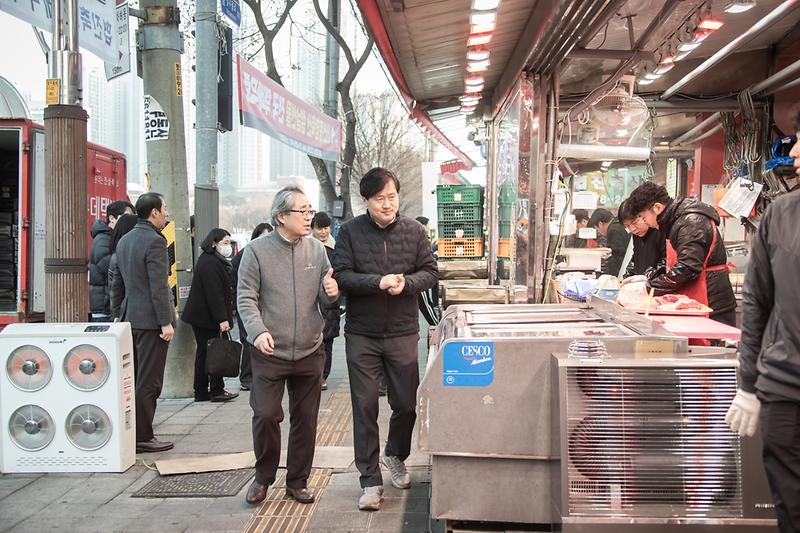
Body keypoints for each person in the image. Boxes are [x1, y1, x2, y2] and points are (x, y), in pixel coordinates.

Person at [333, 168, 438, 511]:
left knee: (406, 403)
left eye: (392, 197)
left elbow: (430, 271)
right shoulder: (349, 232)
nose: (387, 205)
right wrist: (377, 282)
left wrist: (406, 284)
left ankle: (395, 454)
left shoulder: (414, 230)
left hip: (403, 331)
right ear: (366, 201)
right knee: (364, 406)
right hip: (362, 332)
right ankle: (369, 480)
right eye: (380, 199)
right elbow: (343, 275)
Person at [238, 186, 339, 506]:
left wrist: (332, 292)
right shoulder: (256, 252)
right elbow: (246, 298)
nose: (310, 217)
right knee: (266, 414)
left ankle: (297, 481)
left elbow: (325, 298)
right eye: (303, 211)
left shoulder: (317, 251)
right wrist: (257, 331)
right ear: (281, 216)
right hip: (270, 351)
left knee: (306, 420)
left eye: (311, 210)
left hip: (310, 349)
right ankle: (263, 477)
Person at [725, 126, 800, 533]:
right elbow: (756, 303)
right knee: (791, 510)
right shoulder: (782, 213)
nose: (795, 150)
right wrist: (748, 385)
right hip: (785, 392)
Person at [110, 192, 175, 453]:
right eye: (165, 209)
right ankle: (143, 436)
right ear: (155, 212)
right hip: (151, 322)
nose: (167, 214)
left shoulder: (125, 240)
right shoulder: (155, 242)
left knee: (133, 378)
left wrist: (117, 314)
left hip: (130, 318)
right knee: (149, 381)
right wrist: (165, 322)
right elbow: (158, 286)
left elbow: (118, 283)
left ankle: (134, 431)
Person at [624, 182, 737, 327]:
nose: (648, 224)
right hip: (696, 301)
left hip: (712, 304)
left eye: (644, 218)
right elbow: (676, 263)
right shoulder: (676, 221)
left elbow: (687, 267)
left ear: (657, 208)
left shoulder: (690, 222)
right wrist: (648, 276)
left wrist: (648, 287)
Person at [181, 228, 239, 403]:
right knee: (214, 352)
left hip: (202, 316)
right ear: (214, 243)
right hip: (206, 317)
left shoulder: (210, 260)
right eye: (225, 243)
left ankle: (202, 391)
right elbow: (214, 294)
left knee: (205, 353)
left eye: (229, 243)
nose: (228, 247)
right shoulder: (210, 263)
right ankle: (216, 390)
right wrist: (222, 319)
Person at [231, 222, 273, 391]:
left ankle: (262, 375)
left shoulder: (272, 254)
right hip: (248, 305)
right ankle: (246, 377)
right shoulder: (246, 254)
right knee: (249, 340)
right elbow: (236, 282)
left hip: (266, 307)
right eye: (263, 236)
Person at [89, 200, 134, 321]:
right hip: (104, 308)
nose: (129, 220)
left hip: (110, 305)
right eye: (126, 216)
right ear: (112, 218)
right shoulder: (102, 240)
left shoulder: (112, 238)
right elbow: (111, 268)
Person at [311, 211, 340, 391]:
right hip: (311, 301)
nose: (323, 232)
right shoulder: (307, 247)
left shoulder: (335, 249)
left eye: (326, 228)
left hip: (329, 302)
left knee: (327, 341)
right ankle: (313, 374)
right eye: (319, 228)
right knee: (313, 341)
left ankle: (323, 376)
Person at [618, 200, 666, 278]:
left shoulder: (660, 231)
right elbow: (635, 260)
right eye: (627, 226)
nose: (632, 229)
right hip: (642, 285)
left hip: (656, 285)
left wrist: (647, 277)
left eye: (634, 222)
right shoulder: (637, 234)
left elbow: (666, 263)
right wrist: (627, 278)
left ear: (643, 215)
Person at [108, 213, 140, 321]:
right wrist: (116, 315)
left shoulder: (119, 253)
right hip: (124, 313)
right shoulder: (119, 256)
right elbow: (115, 289)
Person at [588, 208, 631, 276]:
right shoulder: (618, 223)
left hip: (623, 272)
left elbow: (616, 258)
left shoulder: (613, 230)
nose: (599, 232)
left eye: (597, 229)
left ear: (600, 224)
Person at [415, 215, 440, 326]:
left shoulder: (418, 237)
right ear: (423, 225)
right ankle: (436, 326)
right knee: (425, 303)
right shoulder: (419, 237)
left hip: (417, 275)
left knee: (425, 302)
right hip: (418, 275)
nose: (429, 227)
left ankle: (435, 325)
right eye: (427, 225)